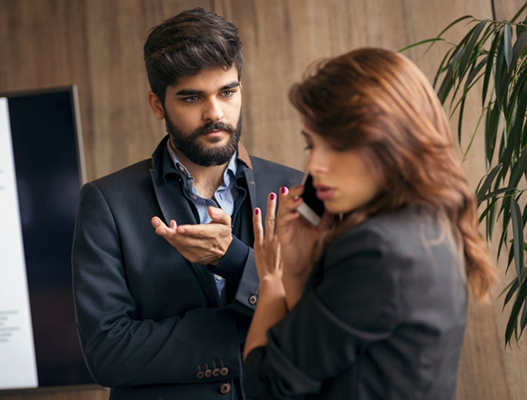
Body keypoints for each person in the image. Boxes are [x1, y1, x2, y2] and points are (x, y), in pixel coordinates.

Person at [71, 7, 302, 400]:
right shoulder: (106, 203)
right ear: (157, 105)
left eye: (227, 92)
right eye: (192, 97)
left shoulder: (294, 189)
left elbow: (319, 324)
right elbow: (107, 353)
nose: (215, 113)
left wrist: (232, 258)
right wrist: (259, 331)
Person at [241, 48, 497, 400]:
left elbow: (267, 385)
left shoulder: (376, 249)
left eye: (337, 145)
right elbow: (336, 365)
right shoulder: (432, 227)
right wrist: (297, 272)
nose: (314, 164)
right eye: (311, 144)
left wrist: (270, 279)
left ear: (391, 140)